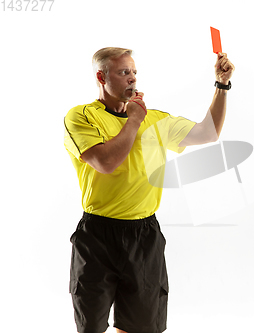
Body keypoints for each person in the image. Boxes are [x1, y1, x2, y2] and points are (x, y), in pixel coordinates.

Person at [64, 47, 235, 333]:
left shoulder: (155, 119)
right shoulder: (81, 117)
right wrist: (133, 121)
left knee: (141, 327)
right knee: (90, 326)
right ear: (100, 76)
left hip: (144, 236)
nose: (131, 79)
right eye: (123, 72)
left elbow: (209, 132)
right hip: (98, 235)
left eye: (133, 72)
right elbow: (105, 162)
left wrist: (222, 85)